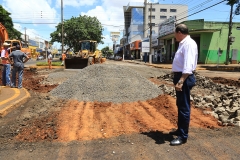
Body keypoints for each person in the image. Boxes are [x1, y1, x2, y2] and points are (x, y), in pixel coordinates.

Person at [169, 24, 198, 146]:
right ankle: (180, 130)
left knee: (184, 107)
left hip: (184, 78)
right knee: (180, 105)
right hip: (180, 76)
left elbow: (188, 66)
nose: (175, 35)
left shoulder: (189, 44)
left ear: (180, 32)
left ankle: (182, 136)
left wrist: (181, 81)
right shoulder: (183, 43)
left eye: (175, 33)